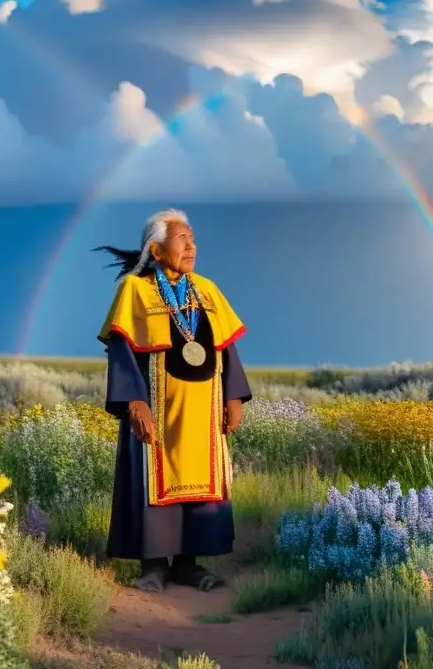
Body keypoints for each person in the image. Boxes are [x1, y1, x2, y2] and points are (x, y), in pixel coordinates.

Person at [95, 208, 251, 593]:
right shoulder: (135, 290)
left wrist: (233, 396)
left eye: (193, 238)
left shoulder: (208, 290)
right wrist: (134, 401)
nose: (191, 245)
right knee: (152, 480)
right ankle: (153, 566)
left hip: (203, 412)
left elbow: (227, 350)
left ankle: (189, 564)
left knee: (202, 484)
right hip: (158, 411)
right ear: (156, 248)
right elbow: (122, 351)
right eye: (183, 238)